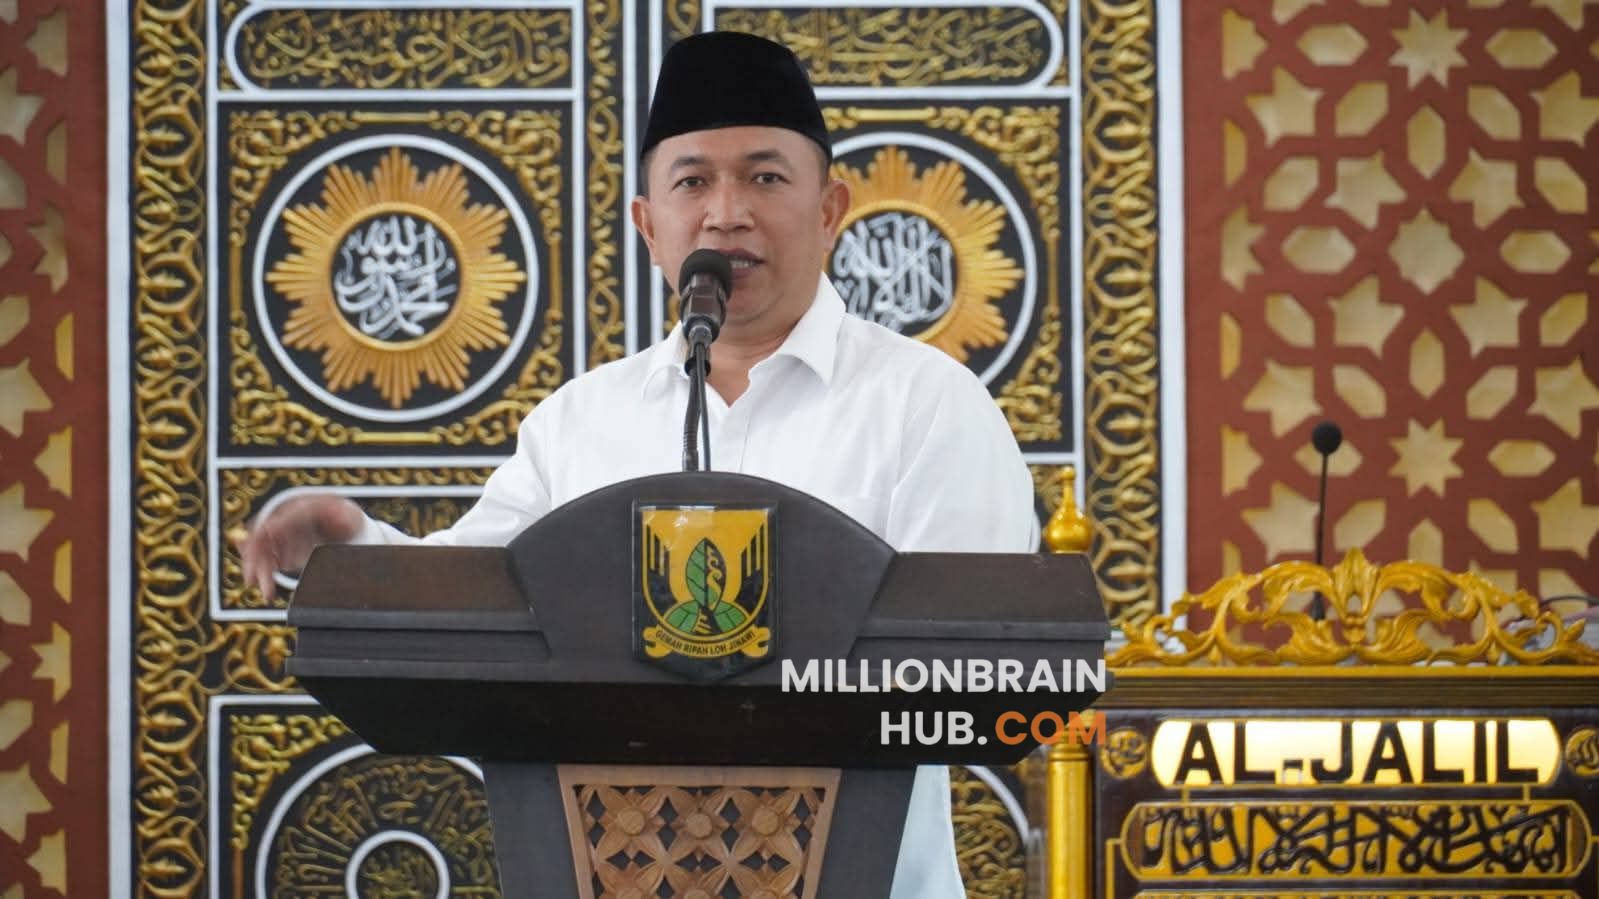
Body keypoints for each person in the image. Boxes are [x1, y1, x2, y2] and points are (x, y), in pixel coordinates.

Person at [240, 30, 1038, 898]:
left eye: (765, 177)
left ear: (831, 209)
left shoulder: (928, 404)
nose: (725, 210)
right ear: (648, 223)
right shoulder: (582, 421)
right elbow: (473, 611)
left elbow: (972, 665)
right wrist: (352, 543)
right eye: (692, 180)